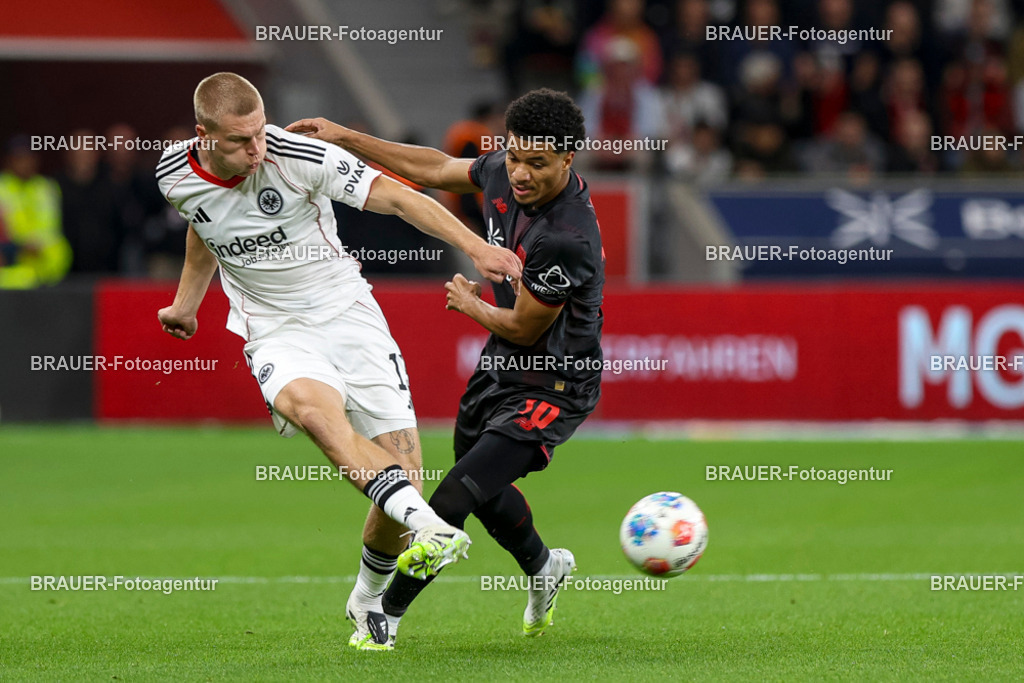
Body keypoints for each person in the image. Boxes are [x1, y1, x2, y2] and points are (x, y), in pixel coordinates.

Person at [155, 73, 522, 650]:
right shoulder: (171, 173)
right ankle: (431, 526)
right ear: (203, 136)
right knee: (315, 412)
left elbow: (402, 197)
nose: (258, 149)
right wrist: (188, 302)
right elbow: (205, 227)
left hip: (349, 315)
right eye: (240, 142)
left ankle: (366, 596)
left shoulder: (296, 154)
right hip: (274, 329)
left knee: (399, 479)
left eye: (260, 132)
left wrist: (478, 247)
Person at [288, 88, 605, 650]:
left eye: (537, 163)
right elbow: (434, 167)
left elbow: (525, 327)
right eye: (513, 157)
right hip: (500, 372)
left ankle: (383, 615)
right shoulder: (506, 175)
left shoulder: (566, 238)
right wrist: (345, 136)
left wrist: (472, 305)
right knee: (482, 487)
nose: (521, 173)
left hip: (555, 383)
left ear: (567, 160)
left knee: (454, 495)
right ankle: (544, 567)